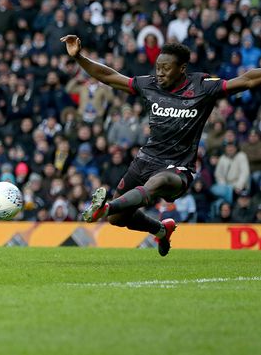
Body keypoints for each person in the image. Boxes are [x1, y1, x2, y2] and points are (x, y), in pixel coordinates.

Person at [61, 35, 261, 256]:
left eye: (166, 68)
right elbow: (109, 76)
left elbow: (247, 79)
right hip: (145, 160)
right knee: (117, 219)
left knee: (156, 182)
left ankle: (106, 206)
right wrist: (79, 57)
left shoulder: (202, 87)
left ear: (182, 68)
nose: (160, 72)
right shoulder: (150, 85)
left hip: (178, 168)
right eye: (158, 67)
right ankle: (160, 229)